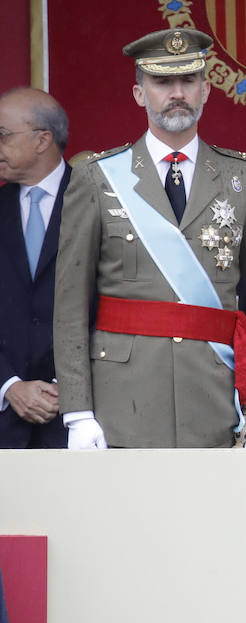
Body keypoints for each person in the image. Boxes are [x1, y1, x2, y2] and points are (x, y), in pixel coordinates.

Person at [53, 28, 246, 449]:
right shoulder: (97, 178)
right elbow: (70, 305)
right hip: (121, 403)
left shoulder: (244, 179)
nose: (177, 93)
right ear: (139, 94)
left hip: (214, 400)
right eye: (162, 82)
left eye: (188, 80)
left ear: (206, 90)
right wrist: (77, 412)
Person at [0, 87, 70, 448]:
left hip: (80, 419)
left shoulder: (101, 203)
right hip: (5, 418)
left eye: (3, 134)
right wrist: (9, 385)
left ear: (42, 140)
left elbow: (116, 306)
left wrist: (69, 385)